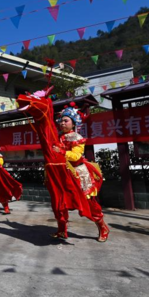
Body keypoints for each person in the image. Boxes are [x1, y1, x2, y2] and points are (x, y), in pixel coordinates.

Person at [51, 104, 109, 242]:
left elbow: (76, 156)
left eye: (66, 121)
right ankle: (61, 230)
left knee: (89, 202)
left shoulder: (76, 137)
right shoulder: (58, 137)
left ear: (74, 123)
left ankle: (103, 227)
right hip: (62, 173)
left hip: (77, 173)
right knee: (59, 202)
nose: (62, 123)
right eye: (61, 120)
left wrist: (62, 152)